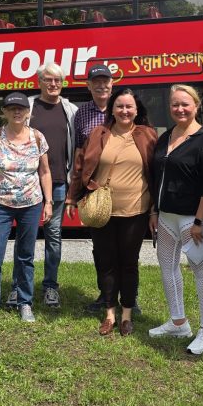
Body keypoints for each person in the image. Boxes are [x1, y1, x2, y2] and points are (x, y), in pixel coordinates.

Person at [66, 88, 157, 336]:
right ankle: (109, 313)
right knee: (105, 262)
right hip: (101, 211)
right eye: (119, 106)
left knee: (129, 263)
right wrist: (72, 198)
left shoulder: (148, 135)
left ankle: (127, 314)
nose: (124, 111)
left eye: (129, 107)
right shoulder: (99, 133)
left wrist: (154, 211)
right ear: (112, 109)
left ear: (137, 110)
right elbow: (80, 165)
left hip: (135, 211)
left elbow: (156, 174)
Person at [148, 85, 203, 355]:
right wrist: (154, 211)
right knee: (167, 267)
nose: (180, 109)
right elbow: (158, 178)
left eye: (185, 104)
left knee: (200, 269)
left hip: (194, 219)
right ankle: (178, 322)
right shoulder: (165, 137)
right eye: (175, 104)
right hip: (166, 216)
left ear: (196, 105)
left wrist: (200, 221)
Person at [0, 91, 53, 324]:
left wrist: (48, 202)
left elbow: (45, 172)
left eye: (21, 108)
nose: (17, 111)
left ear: (28, 112)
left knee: (25, 257)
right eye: (11, 108)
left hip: (31, 205)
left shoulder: (37, 137)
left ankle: (25, 303)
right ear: (4, 112)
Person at [5, 63, 77, 311]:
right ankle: (17, 287)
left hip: (57, 183)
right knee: (24, 239)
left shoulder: (70, 110)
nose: (53, 84)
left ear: (63, 82)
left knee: (53, 238)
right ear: (39, 81)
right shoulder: (28, 107)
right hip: (25, 184)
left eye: (57, 80)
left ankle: (50, 287)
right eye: (48, 79)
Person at [73, 63, 114, 312]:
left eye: (105, 81)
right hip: (94, 190)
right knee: (100, 247)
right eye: (96, 82)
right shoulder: (81, 114)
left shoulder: (124, 107)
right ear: (88, 85)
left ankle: (130, 297)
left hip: (123, 188)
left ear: (112, 84)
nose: (101, 85)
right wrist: (75, 192)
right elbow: (79, 154)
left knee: (127, 247)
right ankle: (105, 294)